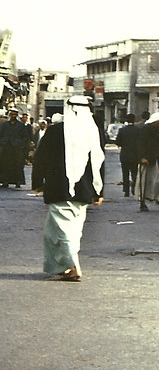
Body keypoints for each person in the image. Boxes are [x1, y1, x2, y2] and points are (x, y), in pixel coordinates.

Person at [33, 96, 104, 282]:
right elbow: (99, 164)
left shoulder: (55, 131)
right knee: (55, 232)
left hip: (59, 189)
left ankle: (73, 267)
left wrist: (38, 182)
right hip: (83, 190)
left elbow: (40, 158)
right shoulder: (92, 131)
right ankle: (60, 266)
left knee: (65, 231)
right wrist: (98, 191)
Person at [136, 112, 159, 212]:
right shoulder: (145, 130)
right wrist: (142, 157)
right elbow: (140, 144)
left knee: (154, 180)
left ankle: (151, 197)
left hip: (154, 158)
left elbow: (157, 146)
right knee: (143, 181)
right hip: (146, 159)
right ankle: (142, 200)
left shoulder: (157, 131)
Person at [0, 106, 30, 188]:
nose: (13, 116)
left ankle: (17, 181)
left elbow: (25, 137)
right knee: (5, 164)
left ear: (16, 115)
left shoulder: (21, 125)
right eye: (12, 114)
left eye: (14, 114)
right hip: (6, 147)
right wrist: (2, 142)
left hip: (16, 148)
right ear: (10, 115)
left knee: (17, 165)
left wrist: (20, 143)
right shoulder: (5, 125)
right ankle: (5, 181)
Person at [116, 113, 140, 197]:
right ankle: (134, 189)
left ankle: (126, 191)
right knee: (134, 173)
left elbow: (118, 142)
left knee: (125, 173)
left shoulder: (122, 130)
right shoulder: (138, 130)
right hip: (135, 155)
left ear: (126, 120)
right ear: (134, 120)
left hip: (125, 154)